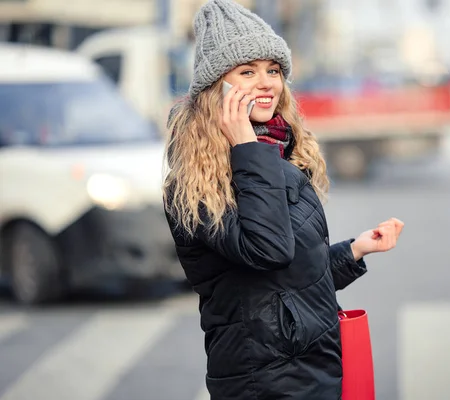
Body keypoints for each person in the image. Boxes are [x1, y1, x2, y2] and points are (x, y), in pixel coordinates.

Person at [162, 0, 404, 399]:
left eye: (273, 70)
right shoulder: (195, 184)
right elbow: (268, 250)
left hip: (313, 366)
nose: (266, 83)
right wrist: (244, 144)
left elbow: (287, 281)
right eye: (247, 71)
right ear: (215, 88)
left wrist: (354, 251)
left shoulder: (276, 154)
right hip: (264, 380)